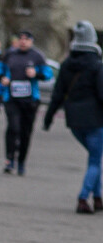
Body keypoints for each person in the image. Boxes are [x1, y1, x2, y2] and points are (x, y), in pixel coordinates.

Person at [43, 20, 103, 213]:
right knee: (95, 160)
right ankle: (83, 198)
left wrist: (49, 117)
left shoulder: (66, 65)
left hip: (74, 121)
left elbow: (58, 93)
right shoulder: (97, 65)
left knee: (94, 158)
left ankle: (98, 197)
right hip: (95, 120)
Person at [1, 29, 52, 175]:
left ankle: (21, 161)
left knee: (25, 132)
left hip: (30, 100)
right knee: (13, 127)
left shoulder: (37, 56)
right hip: (11, 99)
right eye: (20, 39)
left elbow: (48, 74)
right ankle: (9, 159)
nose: (23, 41)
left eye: (26, 39)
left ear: (31, 41)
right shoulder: (10, 54)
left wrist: (36, 73)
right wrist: (3, 79)